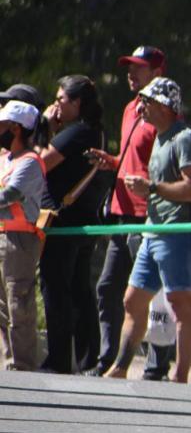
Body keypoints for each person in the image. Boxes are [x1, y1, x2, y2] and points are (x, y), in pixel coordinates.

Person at [104, 77, 191, 383]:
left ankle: (180, 376)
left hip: (175, 232)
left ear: (164, 105)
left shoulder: (183, 138)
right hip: (153, 229)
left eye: (146, 101)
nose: (141, 107)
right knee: (133, 300)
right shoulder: (160, 138)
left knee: (180, 303)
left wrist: (152, 188)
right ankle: (120, 368)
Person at [86, 45, 172, 377]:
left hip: (147, 216)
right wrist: (111, 162)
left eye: (139, 67)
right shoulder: (129, 109)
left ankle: (157, 365)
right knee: (108, 287)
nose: (131, 73)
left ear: (157, 73)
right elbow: (130, 158)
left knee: (151, 293)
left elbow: (169, 163)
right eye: (129, 66)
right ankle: (107, 360)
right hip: (122, 214)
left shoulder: (165, 114)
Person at [39, 75, 105, 374]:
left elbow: (39, 163)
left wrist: (45, 128)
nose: (56, 105)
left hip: (64, 222)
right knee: (79, 289)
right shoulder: (94, 132)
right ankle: (88, 360)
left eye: (61, 100)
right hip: (83, 219)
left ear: (77, 103)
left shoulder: (77, 132)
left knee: (55, 287)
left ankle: (59, 360)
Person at [0, 101, 48, 371]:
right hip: (2, 234)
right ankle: (8, 361)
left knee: (18, 302)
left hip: (18, 241)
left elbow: (10, 194)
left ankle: (23, 365)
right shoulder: (5, 159)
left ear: (16, 128)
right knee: (2, 306)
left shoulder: (30, 162)